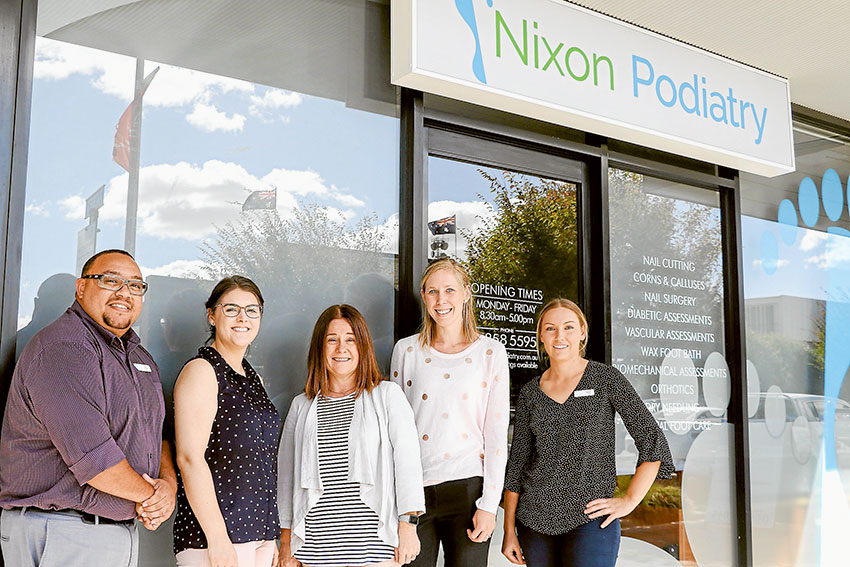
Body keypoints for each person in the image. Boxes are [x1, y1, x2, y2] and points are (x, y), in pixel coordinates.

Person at [0, 249, 176, 567]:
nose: (124, 293)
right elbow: (95, 460)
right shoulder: (65, 348)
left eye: (135, 285)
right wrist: (153, 497)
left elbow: (157, 434)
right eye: (111, 281)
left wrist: (168, 488)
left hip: (115, 531)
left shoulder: (138, 356)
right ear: (81, 288)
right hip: (64, 529)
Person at [501, 298, 675, 567]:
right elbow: (517, 465)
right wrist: (508, 530)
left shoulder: (606, 379)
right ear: (541, 336)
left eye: (569, 327)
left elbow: (652, 440)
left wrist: (629, 501)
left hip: (592, 518)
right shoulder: (530, 393)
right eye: (550, 329)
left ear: (582, 332)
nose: (560, 336)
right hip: (534, 521)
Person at [278, 304, 425, 567]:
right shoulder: (301, 406)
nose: (341, 348)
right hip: (315, 551)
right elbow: (286, 477)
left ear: (363, 346)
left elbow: (408, 464)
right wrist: (287, 542)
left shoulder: (387, 396)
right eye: (331, 340)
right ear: (319, 348)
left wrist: (409, 524)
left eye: (350, 340)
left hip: (376, 549)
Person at [390, 258, 510, 567]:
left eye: (449, 290)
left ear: (466, 293)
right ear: (423, 296)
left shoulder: (490, 352)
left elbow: (496, 435)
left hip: (469, 490)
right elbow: (395, 431)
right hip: (415, 493)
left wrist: (489, 504)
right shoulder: (406, 351)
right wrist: (398, 505)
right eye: (432, 291)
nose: (441, 300)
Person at [172, 276, 281, 567]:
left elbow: (260, 458)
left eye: (252, 310)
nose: (243, 318)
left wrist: (269, 536)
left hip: (257, 533)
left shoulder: (253, 378)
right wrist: (218, 538)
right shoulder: (202, 371)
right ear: (212, 315)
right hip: (217, 537)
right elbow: (189, 458)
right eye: (231, 309)